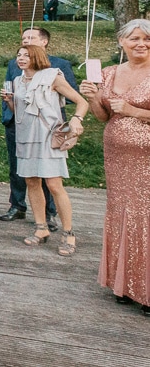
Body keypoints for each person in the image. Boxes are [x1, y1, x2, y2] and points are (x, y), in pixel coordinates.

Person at [80, 19, 150, 316]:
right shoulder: (108, 73)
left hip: (146, 160)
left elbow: (127, 111)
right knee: (122, 213)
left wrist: (134, 110)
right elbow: (103, 116)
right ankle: (124, 284)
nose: (141, 44)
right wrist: (93, 98)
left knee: (145, 216)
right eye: (135, 38)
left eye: (147, 39)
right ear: (122, 41)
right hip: (118, 158)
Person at [1, 45, 88, 254]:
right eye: (18, 55)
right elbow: (21, 113)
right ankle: (41, 228)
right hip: (26, 137)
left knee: (54, 184)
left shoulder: (52, 77)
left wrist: (77, 120)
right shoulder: (16, 81)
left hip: (48, 136)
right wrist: (11, 102)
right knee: (31, 181)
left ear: (37, 57)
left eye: (26, 55)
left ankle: (68, 234)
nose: (21, 59)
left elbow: (81, 102)